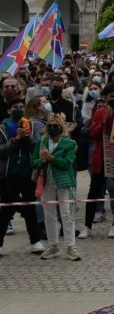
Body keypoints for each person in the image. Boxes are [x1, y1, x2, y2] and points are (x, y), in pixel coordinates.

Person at [0, 95, 46, 255]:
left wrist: (26, 137)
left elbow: (36, 146)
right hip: (8, 174)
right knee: (7, 209)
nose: (18, 109)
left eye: (21, 106)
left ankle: (35, 242)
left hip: (27, 174)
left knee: (30, 207)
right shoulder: (3, 128)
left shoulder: (29, 125)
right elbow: (2, 151)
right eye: (14, 107)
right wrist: (15, 140)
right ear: (8, 110)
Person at [82, 86, 114, 239]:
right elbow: (93, 135)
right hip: (101, 158)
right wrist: (105, 120)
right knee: (94, 192)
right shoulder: (99, 113)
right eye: (111, 96)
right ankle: (87, 226)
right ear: (105, 98)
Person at [32, 112, 79, 261]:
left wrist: (51, 158)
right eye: (49, 125)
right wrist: (42, 161)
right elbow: (33, 162)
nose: (52, 128)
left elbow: (66, 164)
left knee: (67, 214)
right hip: (46, 181)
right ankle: (53, 246)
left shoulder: (69, 144)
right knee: (49, 214)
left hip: (65, 182)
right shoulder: (41, 142)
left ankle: (71, 246)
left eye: (55, 125)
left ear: (61, 127)